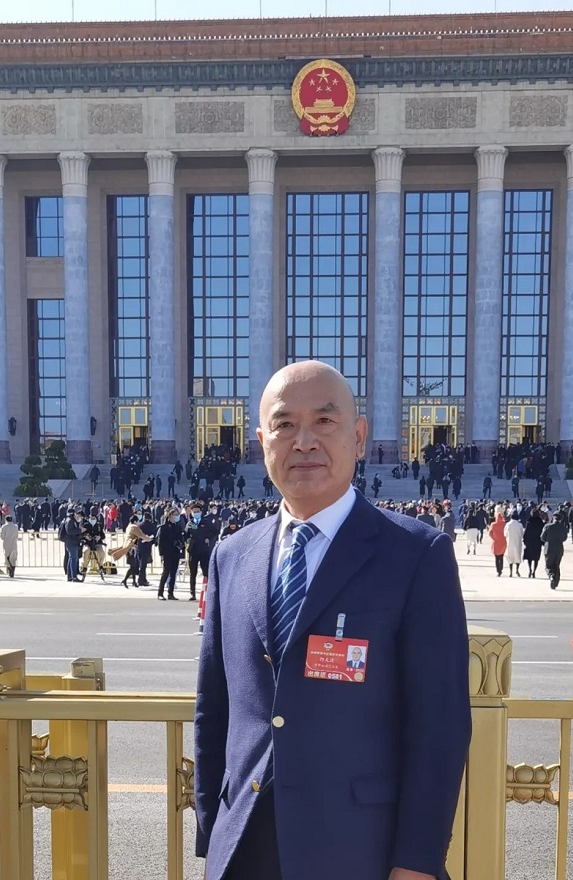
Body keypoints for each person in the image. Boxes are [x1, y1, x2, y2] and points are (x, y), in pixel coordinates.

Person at [195, 361, 471, 880]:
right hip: (243, 847)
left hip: (359, 850)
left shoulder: (415, 555)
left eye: (324, 421)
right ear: (261, 443)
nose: (303, 442)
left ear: (359, 437)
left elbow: (439, 726)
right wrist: (213, 830)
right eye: (284, 425)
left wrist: (416, 862)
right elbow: (214, 708)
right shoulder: (231, 555)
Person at [156, 507, 184, 600]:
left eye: (177, 515)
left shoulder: (177, 527)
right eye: (175, 515)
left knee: (173, 573)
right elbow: (160, 541)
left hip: (175, 552)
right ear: (170, 515)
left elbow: (181, 539)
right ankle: (160, 593)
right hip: (167, 553)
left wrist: (180, 545)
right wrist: (161, 554)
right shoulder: (163, 527)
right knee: (166, 572)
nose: (176, 516)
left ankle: (170, 593)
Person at [541, 512, 568, 590]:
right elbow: (564, 538)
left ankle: (551, 576)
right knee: (556, 566)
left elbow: (542, 537)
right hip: (559, 548)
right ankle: (556, 582)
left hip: (549, 548)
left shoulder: (547, 526)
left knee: (548, 566)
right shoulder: (563, 528)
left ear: (553, 518)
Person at [523, 508, 544, 578]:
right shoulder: (540, 522)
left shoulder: (529, 521)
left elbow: (526, 532)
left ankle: (530, 569)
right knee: (536, 558)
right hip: (537, 542)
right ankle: (534, 571)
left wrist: (524, 540)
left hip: (530, 542)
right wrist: (543, 542)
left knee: (529, 557)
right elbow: (543, 532)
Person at [504, 511, 524, 578]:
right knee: (517, 556)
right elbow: (522, 534)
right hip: (517, 542)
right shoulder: (520, 525)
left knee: (510, 557)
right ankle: (517, 570)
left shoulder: (508, 524)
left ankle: (510, 572)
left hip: (510, 542)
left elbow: (505, 534)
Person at [488, 511, 507, 577]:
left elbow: (490, 533)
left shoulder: (493, 524)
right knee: (501, 556)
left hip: (496, 542)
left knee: (496, 557)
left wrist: (493, 538)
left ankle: (498, 570)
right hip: (503, 542)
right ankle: (501, 569)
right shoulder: (504, 524)